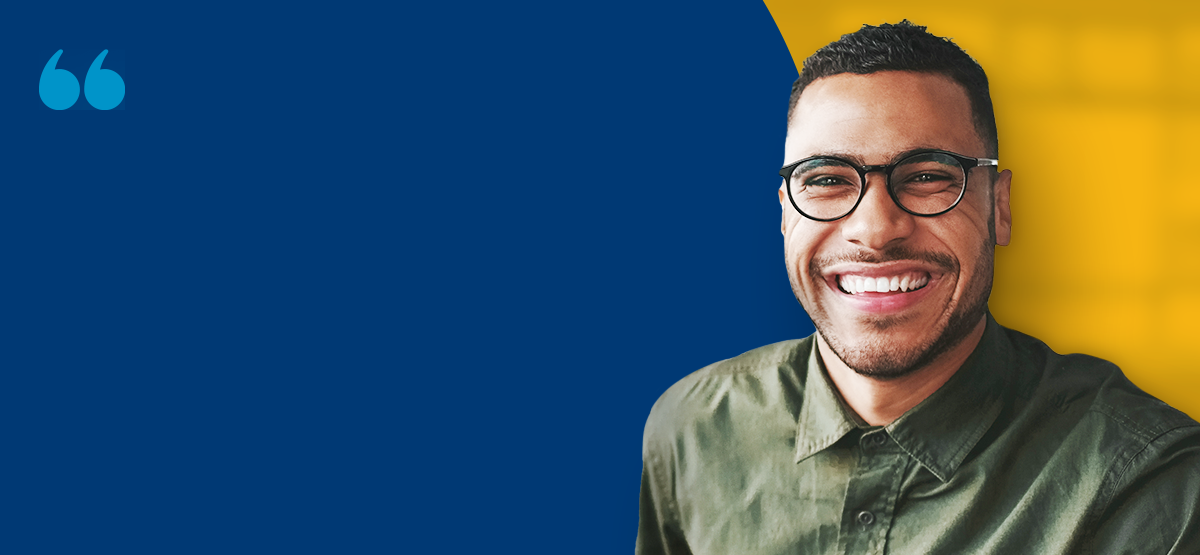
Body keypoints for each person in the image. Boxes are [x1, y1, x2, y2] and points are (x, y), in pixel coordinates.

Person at [637, 21, 1200, 554]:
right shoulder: (691, 428)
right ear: (786, 215)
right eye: (828, 180)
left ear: (998, 208)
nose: (876, 230)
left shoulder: (1147, 480)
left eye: (928, 175)